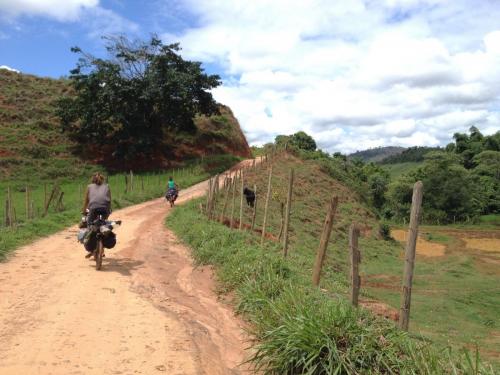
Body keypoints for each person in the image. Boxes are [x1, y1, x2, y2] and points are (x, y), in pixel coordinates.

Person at [82, 172, 111, 258]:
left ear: (92, 180)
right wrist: (108, 211)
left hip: (93, 209)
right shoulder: (107, 186)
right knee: (103, 225)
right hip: (105, 209)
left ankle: (91, 248)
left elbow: (86, 201)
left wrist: (84, 210)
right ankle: (102, 247)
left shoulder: (89, 187)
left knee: (90, 226)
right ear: (102, 180)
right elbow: (109, 200)